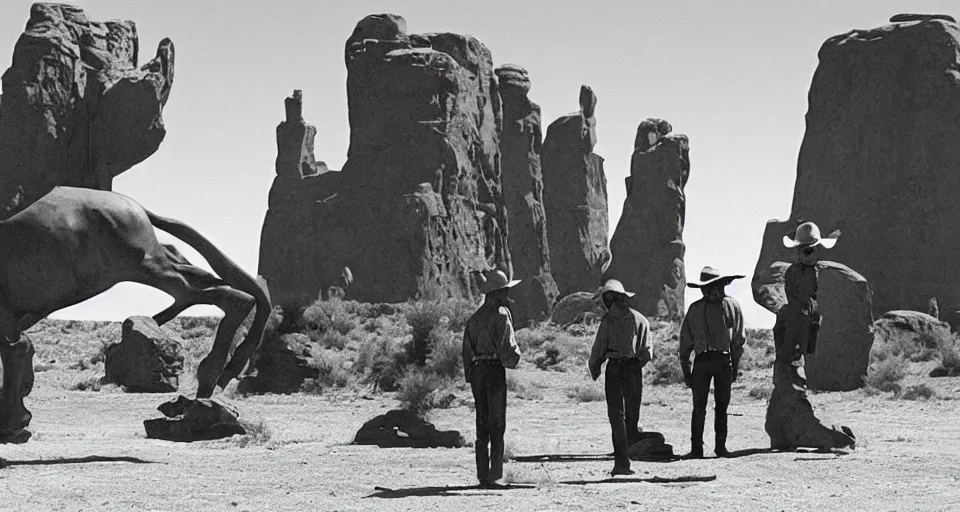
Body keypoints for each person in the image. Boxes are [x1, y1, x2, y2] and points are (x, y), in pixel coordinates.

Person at [462, 269, 522, 488]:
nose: (507, 295)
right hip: (494, 370)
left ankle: (482, 475)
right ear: (497, 293)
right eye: (505, 291)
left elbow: (466, 351)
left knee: (482, 424)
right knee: (497, 424)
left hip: (478, 371)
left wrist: (471, 375)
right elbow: (508, 348)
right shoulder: (501, 314)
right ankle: (495, 475)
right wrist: (514, 358)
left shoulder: (474, 319)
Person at [679, 266, 746, 459]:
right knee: (698, 407)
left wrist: (735, 366)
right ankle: (696, 450)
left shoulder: (732, 306)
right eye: (706, 288)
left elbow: (738, 341)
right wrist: (686, 370)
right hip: (701, 361)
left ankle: (720, 448)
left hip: (723, 360)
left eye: (714, 286)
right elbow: (685, 342)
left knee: (722, 405)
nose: (710, 291)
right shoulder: (694, 309)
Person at [588, 279, 653, 475]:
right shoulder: (640, 319)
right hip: (631, 369)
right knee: (630, 415)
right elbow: (647, 351)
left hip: (615, 368)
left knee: (617, 416)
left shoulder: (608, 321)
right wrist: (634, 365)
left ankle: (622, 462)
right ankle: (625, 457)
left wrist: (595, 366)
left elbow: (599, 348)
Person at [775, 222, 839, 390]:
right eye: (804, 251)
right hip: (801, 317)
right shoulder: (793, 272)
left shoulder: (824, 271)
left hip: (814, 318)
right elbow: (794, 297)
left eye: (811, 250)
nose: (808, 255)